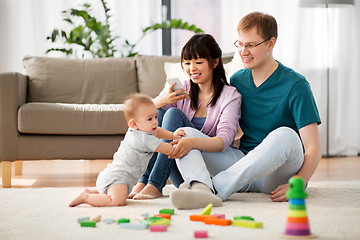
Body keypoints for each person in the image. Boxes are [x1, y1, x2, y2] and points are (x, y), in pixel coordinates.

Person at [170, 12, 321, 209]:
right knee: (186, 135)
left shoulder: (296, 85)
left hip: (276, 174)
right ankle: (202, 189)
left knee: (287, 135)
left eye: (250, 45)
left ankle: (215, 188)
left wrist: (299, 182)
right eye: (239, 44)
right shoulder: (238, 80)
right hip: (242, 164)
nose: (243, 51)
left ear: (270, 43)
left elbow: (313, 148)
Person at [129, 33, 242, 207]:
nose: (192, 68)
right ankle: (145, 180)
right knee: (156, 115)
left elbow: (223, 142)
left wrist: (191, 143)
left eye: (198, 62)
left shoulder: (230, 96)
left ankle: (155, 184)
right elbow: (141, 114)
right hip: (181, 168)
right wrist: (165, 100)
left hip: (209, 172)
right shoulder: (183, 89)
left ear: (214, 62)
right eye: (187, 63)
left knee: (174, 115)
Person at [68, 93, 185, 207]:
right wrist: (184, 146)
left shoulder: (136, 131)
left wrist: (172, 135)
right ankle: (86, 198)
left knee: (114, 193)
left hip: (111, 174)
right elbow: (169, 150)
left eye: (155, 116)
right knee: (116, 201)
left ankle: (91, 192)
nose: (155, 121)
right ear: (133, 123)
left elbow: (158, 131)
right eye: (149, 119)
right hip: (118, 178)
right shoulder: (145, 140)